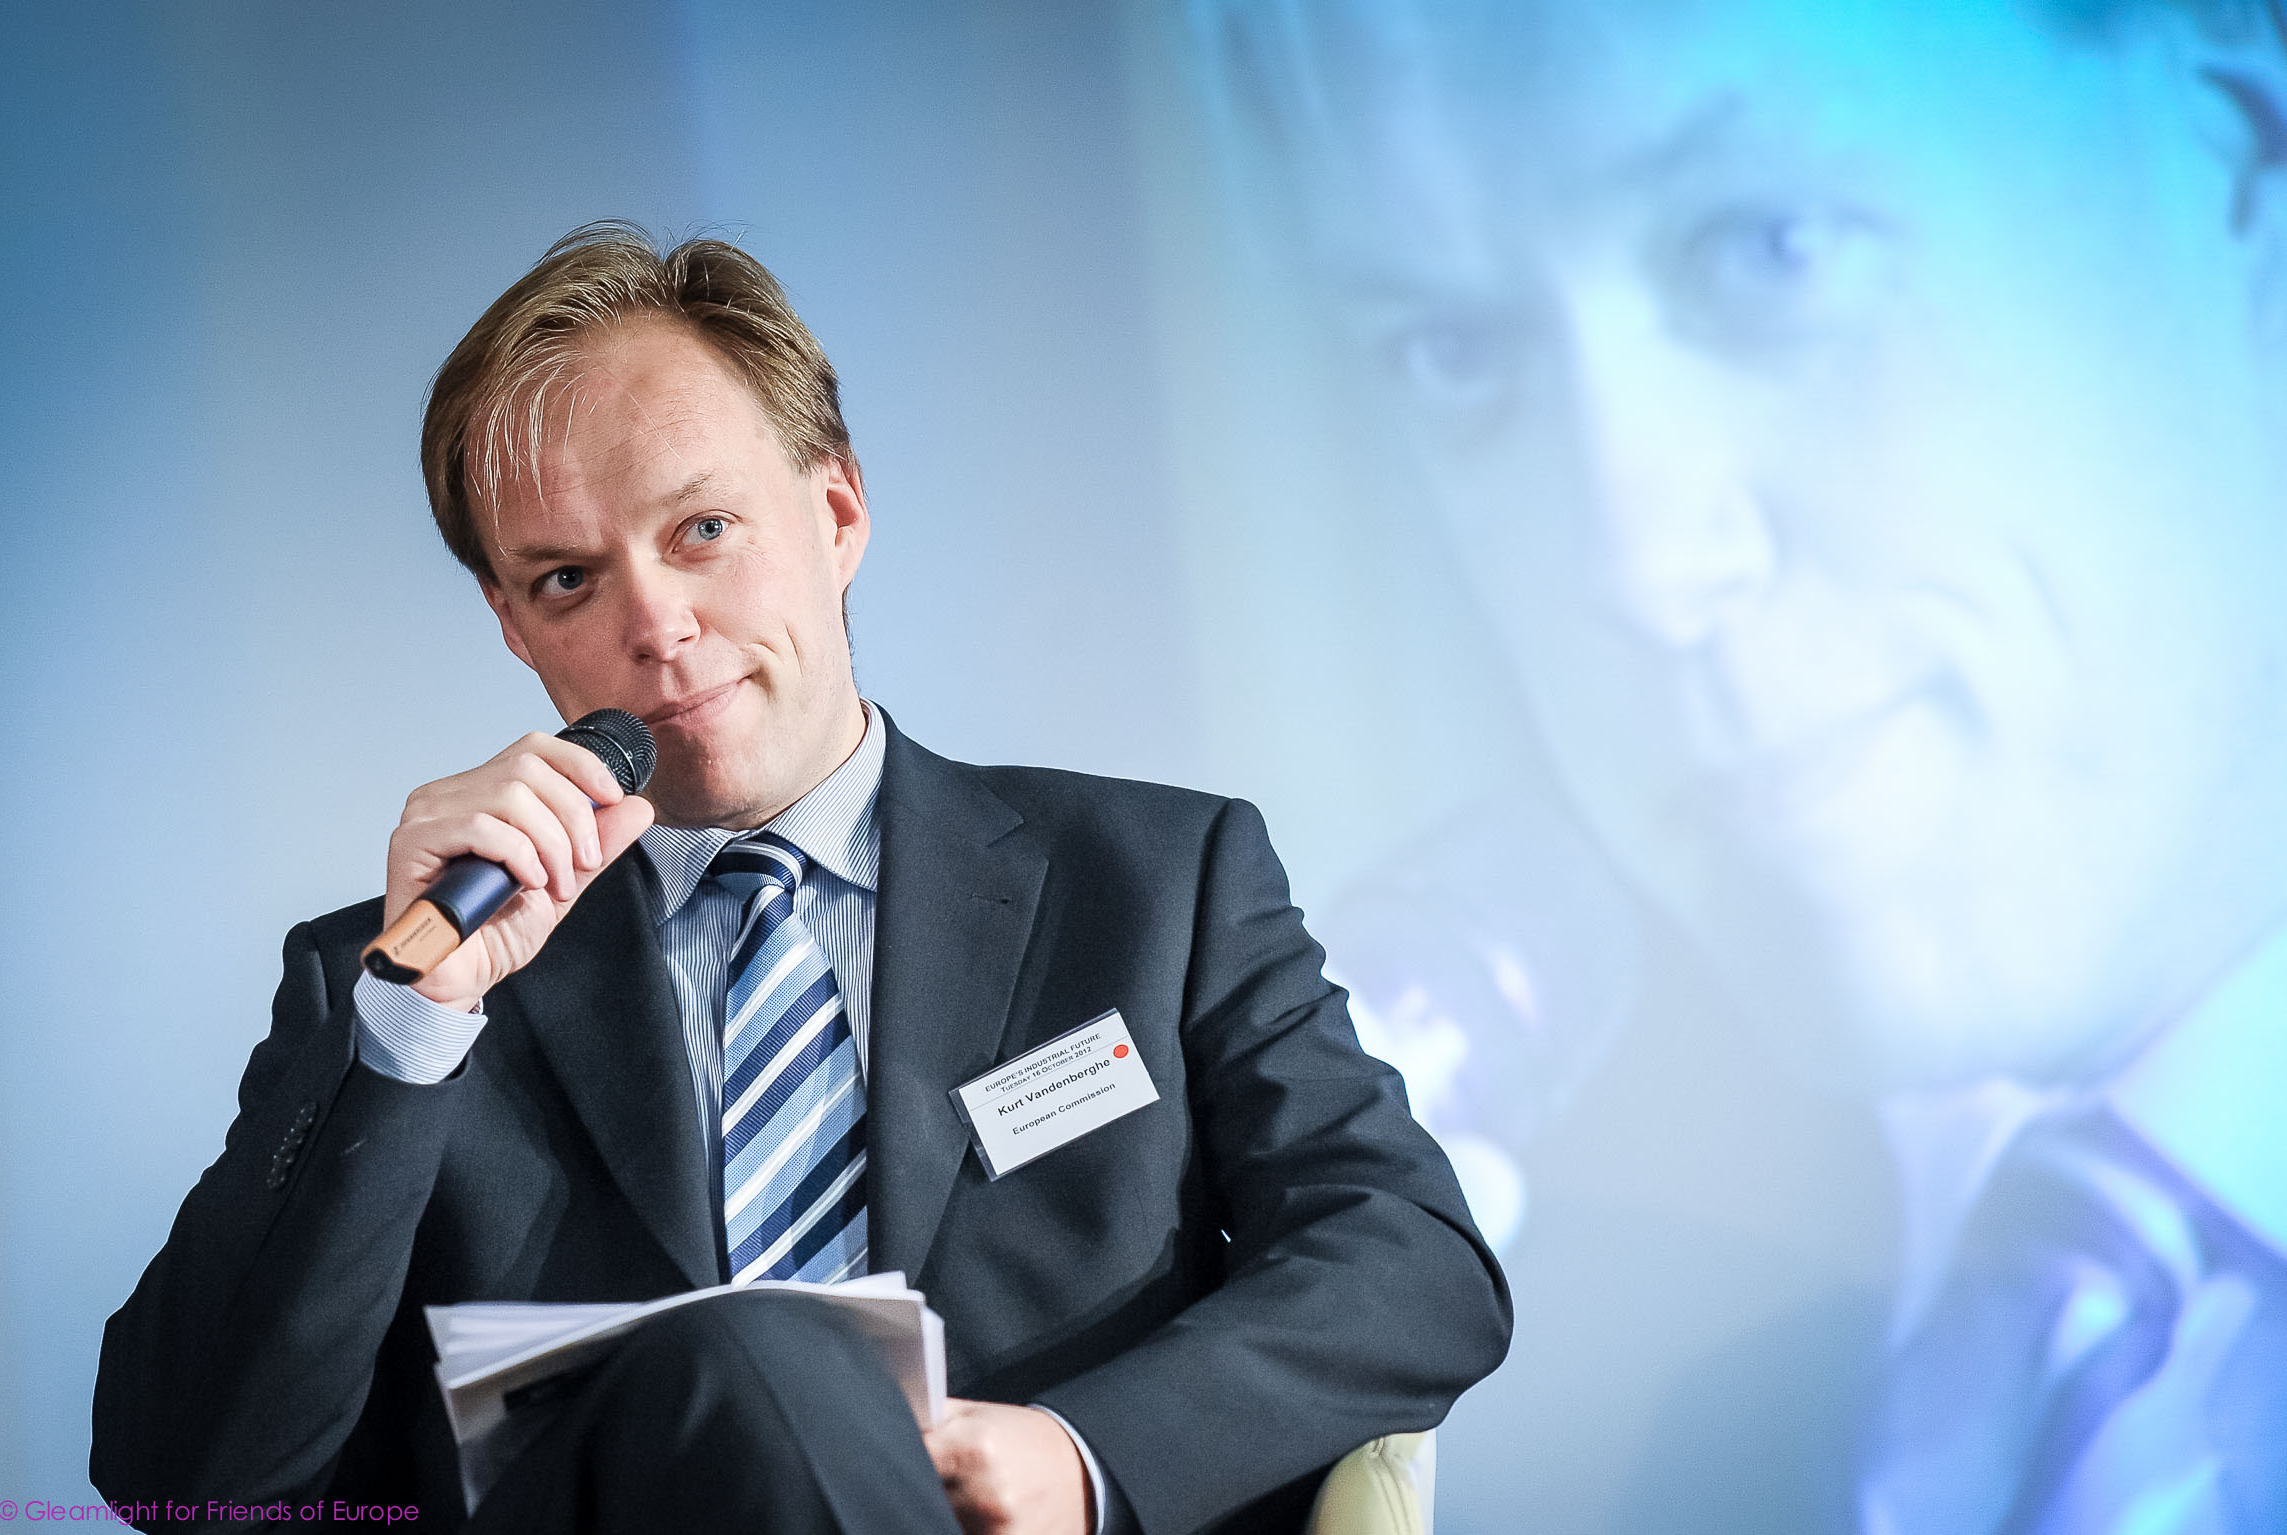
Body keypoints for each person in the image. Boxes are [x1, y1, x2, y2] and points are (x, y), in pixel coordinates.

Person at [89, 224, 1511, 1535]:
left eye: (703, 531)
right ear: (514, 629)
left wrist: (1080, 1456)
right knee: (754, 1359)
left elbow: (1410, 1261)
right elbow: (187, 1486)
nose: (657, 625)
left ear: (835, 518)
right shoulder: (400, 981)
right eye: (570, 581)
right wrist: (409, 1032)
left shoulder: (1151, 885)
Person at [1196, 0, 2287, 1529]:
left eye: (1770, 250)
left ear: (2246, 160)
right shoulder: (1487, 1350)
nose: (1634, 561)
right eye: (1455, 352)